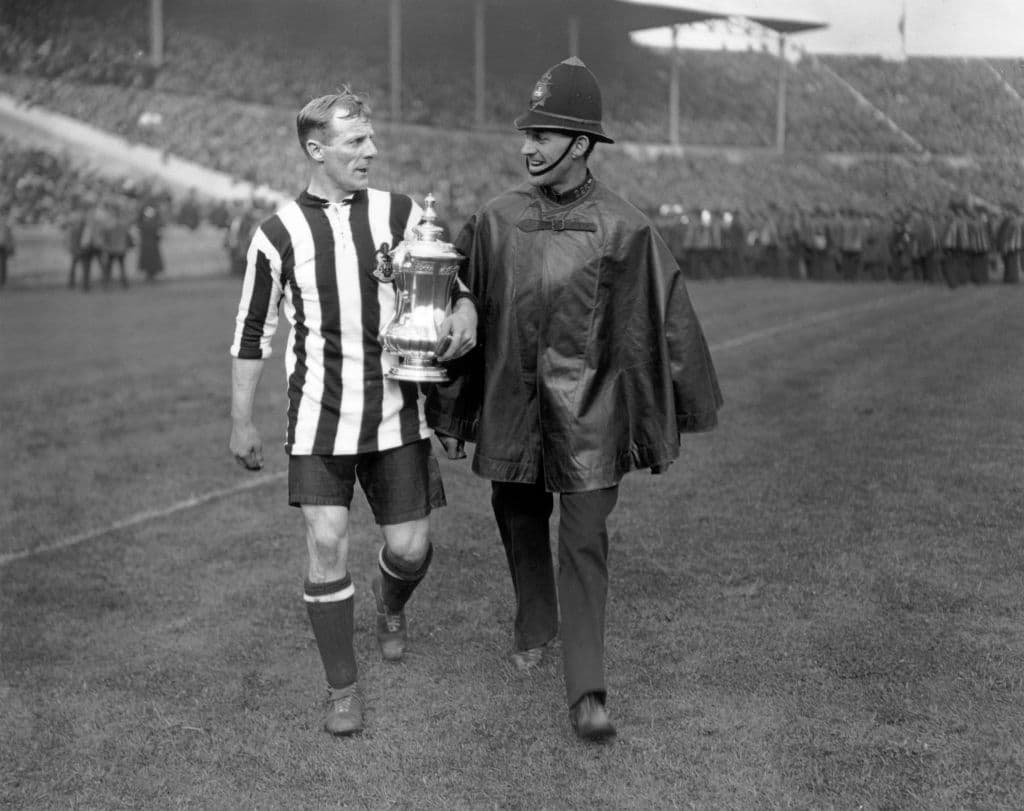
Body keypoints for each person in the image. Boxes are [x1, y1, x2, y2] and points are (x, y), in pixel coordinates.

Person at [427, 58, 722, 743]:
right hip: (510, 410)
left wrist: (665, 425)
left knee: (584, 538)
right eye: (526, 133)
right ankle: (535, 618)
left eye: (545, 134)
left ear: (583, 144)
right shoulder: (493, 222)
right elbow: (457, 321)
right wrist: (450, 413)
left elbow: (662, 327)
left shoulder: (627, 230)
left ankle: (587, 688)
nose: (528, 146)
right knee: (518, 518)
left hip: (590, 418)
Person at [228, 88, 478, 737]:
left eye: (370, 138)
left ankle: (391, 602)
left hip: (397, 412)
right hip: (318, 416)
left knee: (411, 546)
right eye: (356, 142)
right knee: (328, 538)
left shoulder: (399, 213)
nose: (372, 150)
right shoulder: (278, 233)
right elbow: (254, 328)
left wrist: (464, 312)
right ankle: (342, 688)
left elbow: (449, 285)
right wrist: (241, 416)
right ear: (317, 149)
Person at [0, 205, 14, 287]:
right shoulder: (6, 222)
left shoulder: (6, 223)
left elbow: (9, 236)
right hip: (3, 244)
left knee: (3, 264)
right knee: (3, 264)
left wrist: (11, 246)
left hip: (3, 245)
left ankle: (2, 281)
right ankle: (2, 281)